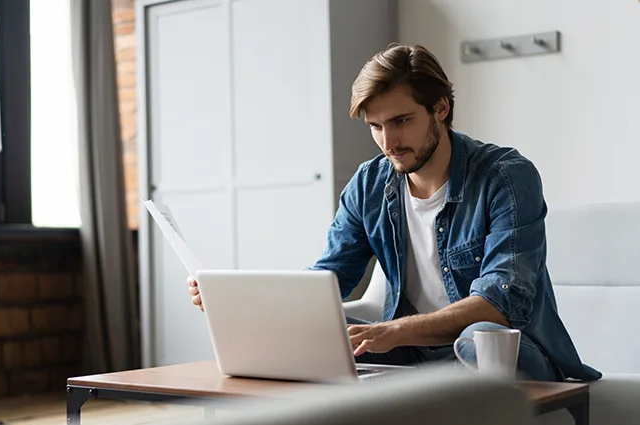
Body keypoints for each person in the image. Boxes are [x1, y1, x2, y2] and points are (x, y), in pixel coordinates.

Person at [187, 43, 600, 382]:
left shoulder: (507, 177)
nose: (389, 141)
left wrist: (392, 330)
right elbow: (330, 280)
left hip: (508, 351)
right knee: (311, 342)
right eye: (376, 126)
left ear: (440, 108)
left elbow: (498, 302)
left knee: (480, 338)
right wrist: (240, 302)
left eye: (401, 121)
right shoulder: (369, 185)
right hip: (409, 353)